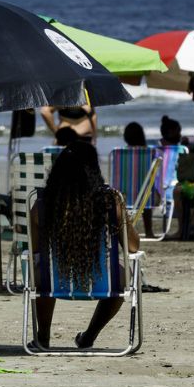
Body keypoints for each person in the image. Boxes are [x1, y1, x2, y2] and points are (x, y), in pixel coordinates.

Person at [28, 142, 139, 349]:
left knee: (39, 272)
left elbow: (35, 251)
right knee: (122, 276)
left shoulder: (42, 204)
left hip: (53, 281)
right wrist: (124, 216)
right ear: (93, 170)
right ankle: (90, 335)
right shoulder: (110, 201)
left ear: (58, 172)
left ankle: (43, 337)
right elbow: (132, 247)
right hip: (104, 280)